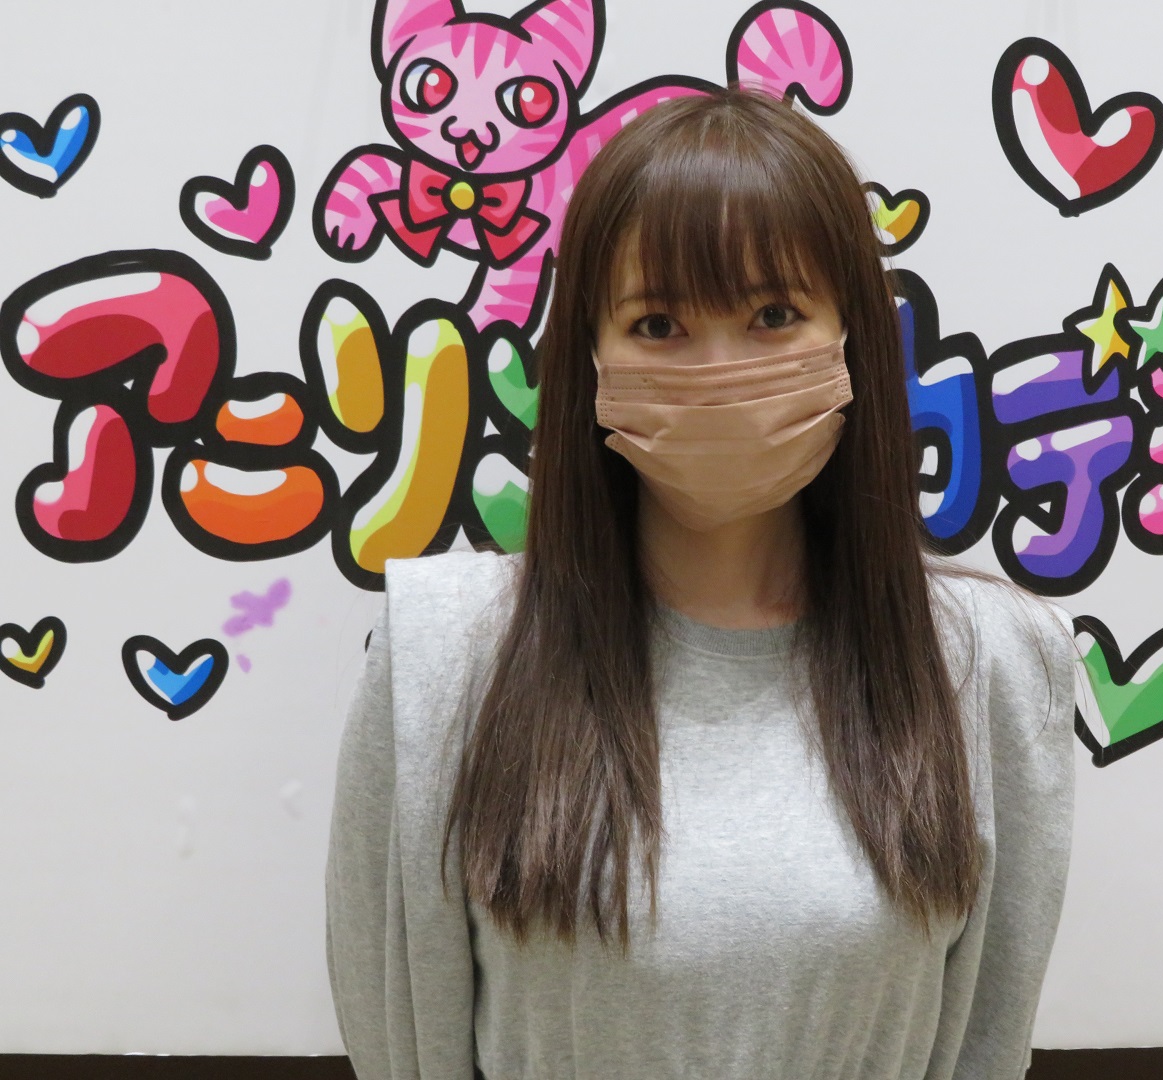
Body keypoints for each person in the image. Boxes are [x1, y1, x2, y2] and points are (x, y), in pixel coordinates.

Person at [325, 87, 1075, 1080]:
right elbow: (401, 1042)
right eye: (658, 323)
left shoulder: (993, 663)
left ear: (853, 332)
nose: (721, 371)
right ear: (589, 355)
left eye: (774, 314)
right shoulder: (444, 652)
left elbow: (987, 1039)